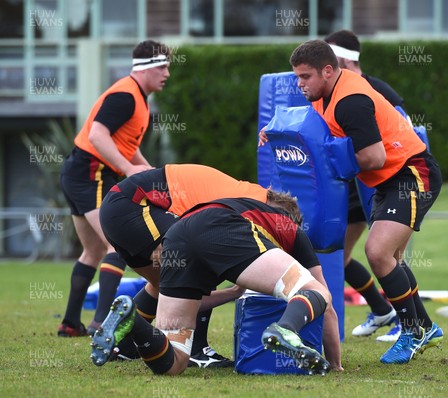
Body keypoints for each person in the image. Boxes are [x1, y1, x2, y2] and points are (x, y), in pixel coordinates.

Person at [261, 39, 443, 365]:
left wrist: (334, 164)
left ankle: (414, 330)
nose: (299, 84)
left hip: (411, 174)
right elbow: (310, 122)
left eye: (305, 77)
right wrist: (276, 131)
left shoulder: (350, 101)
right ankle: (424, 327)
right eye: (297, 77)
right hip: (386, 181)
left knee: (378, 252)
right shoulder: (324, 94)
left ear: (328, 71)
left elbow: (374, 156)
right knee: (393, 258)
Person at [91, 196, 344, 375]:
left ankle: (134, 320)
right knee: (316, 291)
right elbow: (327, 304)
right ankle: (286, 329)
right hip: (223, 225)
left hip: (177, 234)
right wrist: (336, 365)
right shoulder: (288, 227)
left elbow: (196, 304)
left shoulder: (239, 205)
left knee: (175, 361)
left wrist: (232, 293)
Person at [98, 163, 279, 367]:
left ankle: (123, 345)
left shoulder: (247, 194)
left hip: (117, 209)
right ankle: (196, 349)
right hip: (131, 206)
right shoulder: (252, 204)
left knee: (164, 286)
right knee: (200, 259)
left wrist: (234, 292)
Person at [58, 40, 171, 337]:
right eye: (162, 66)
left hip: (82, 172)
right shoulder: (125, 95)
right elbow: (97, 135)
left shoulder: (136, 97)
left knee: (93, 251)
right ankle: (100, 324)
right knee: (117, 246)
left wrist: (145, 169)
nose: (167, 73)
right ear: (144, 68)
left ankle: (70, 323)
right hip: (90, 173)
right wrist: (130, 169)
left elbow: (124, 145)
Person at [324, 30, 405, 342]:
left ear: (342, 60)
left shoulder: (375, 91)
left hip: (383, 180)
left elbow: (406, 137)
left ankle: (406, 321)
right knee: (337, 257)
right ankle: (381, 309)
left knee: (391, 255)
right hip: (349, 184)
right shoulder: (329, 91)